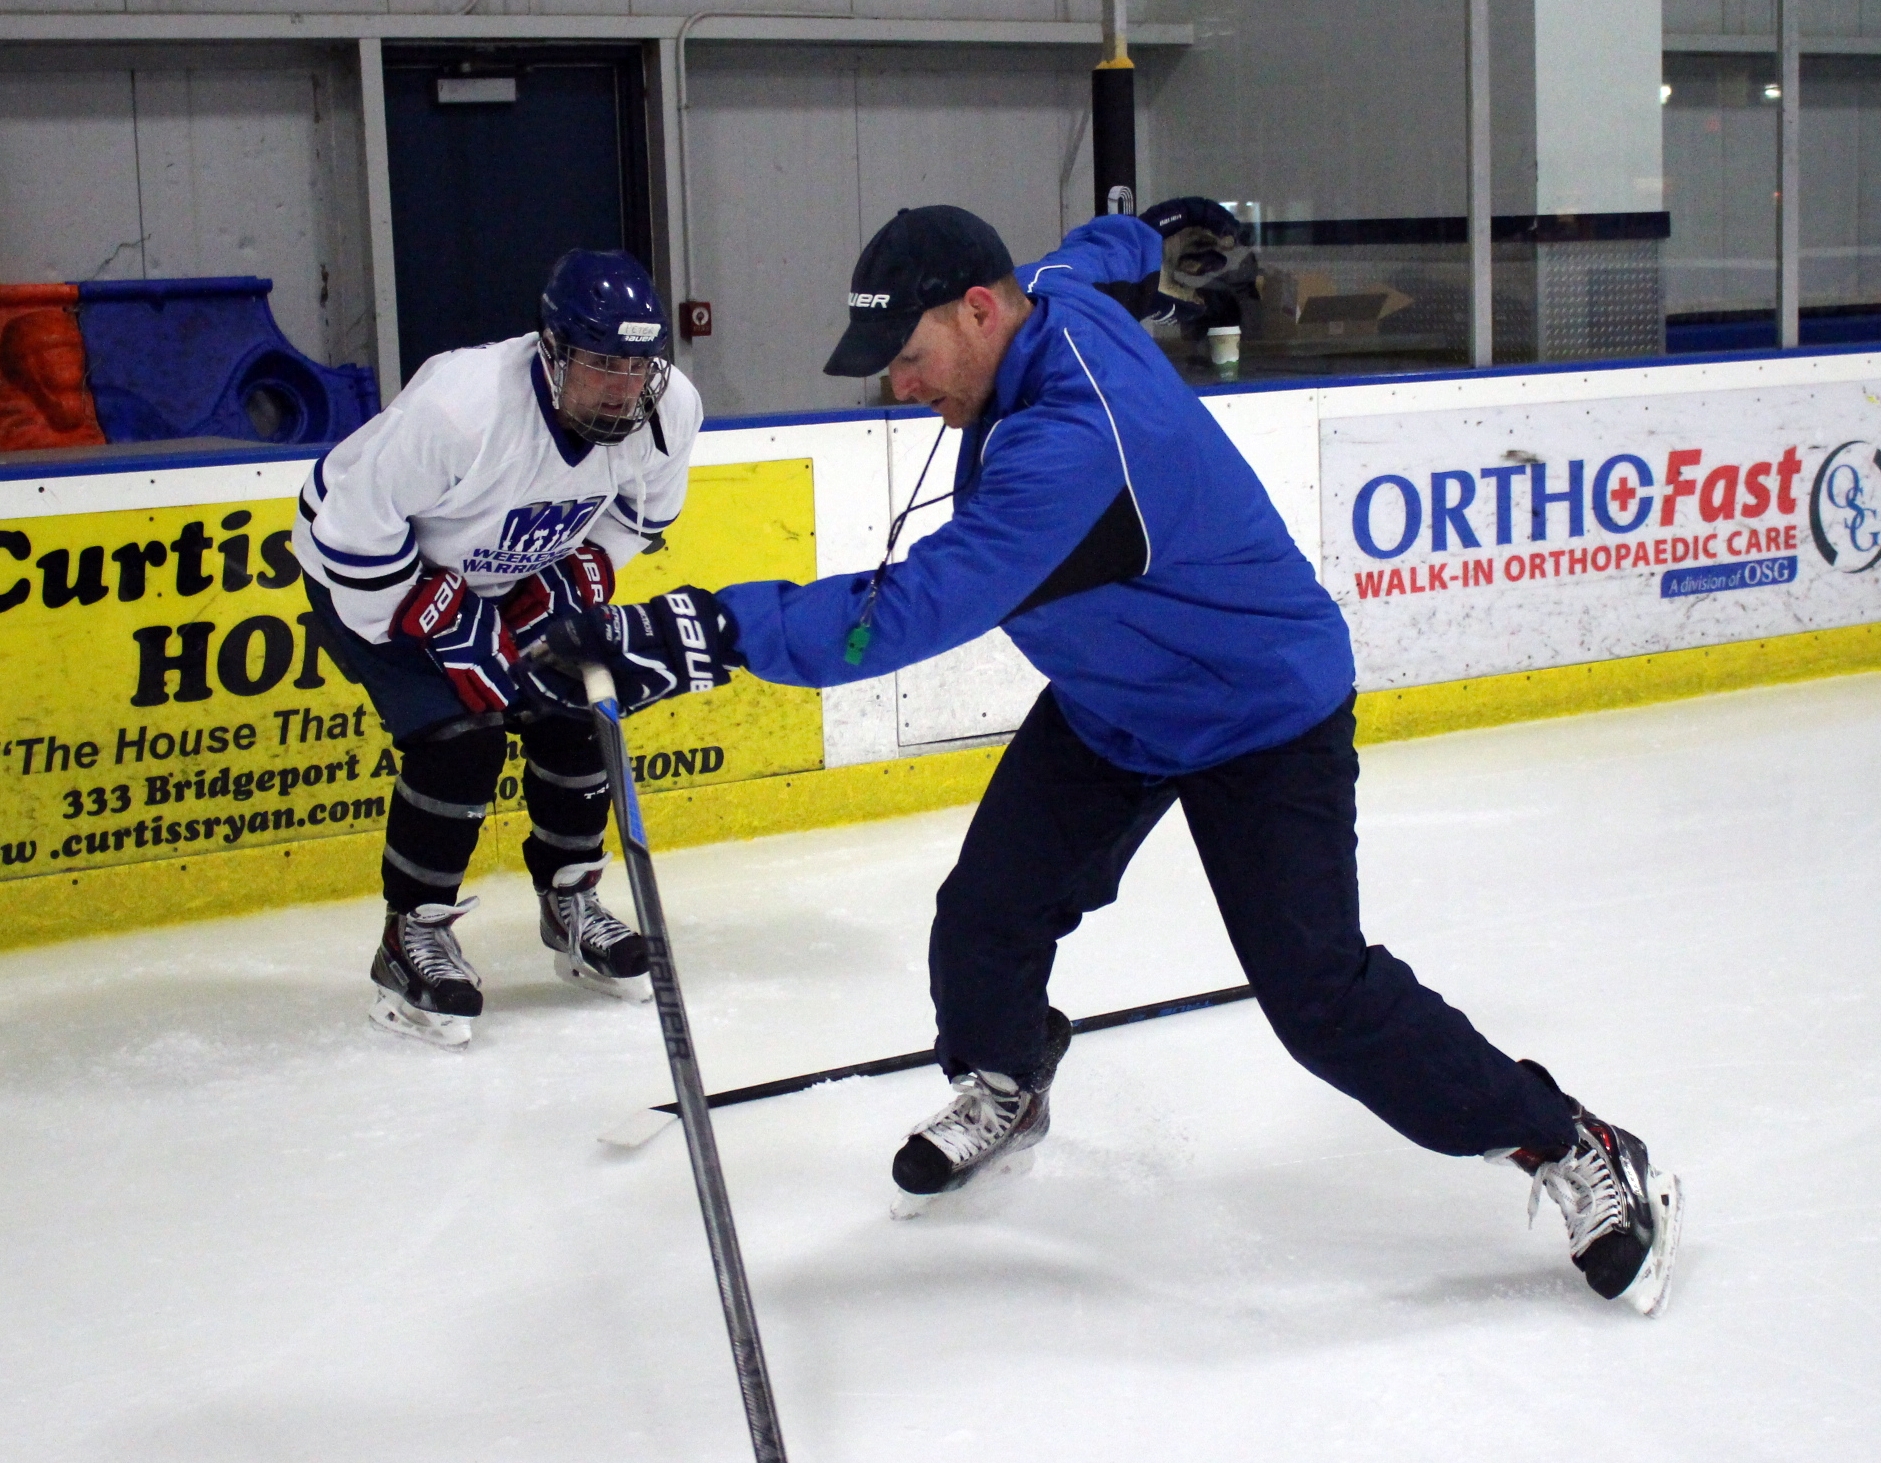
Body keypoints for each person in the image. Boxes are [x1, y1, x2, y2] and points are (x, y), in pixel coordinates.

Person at [550, 205, 1685, 1316]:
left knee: (1319, 994)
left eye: (908, 355)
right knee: (987, 913)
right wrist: (1155, 234)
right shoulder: (1046, 302)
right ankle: (1006, 1078)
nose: (899, 384)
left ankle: (1570, 1139)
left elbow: (911, 611)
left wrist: (700, 632)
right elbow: (1092, 256)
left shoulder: (1072, 444)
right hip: (1116, 702)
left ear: (979, 311)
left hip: (1256, 710)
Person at [295, 249, 724, 1049]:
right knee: (461, 734)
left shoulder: (670, 411)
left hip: (509, 570)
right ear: (552, 350)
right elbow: (352, 538)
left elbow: (639, 518)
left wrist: (571, 578)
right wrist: (439, 615)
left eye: (638, 366)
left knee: (575, 709)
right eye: (601, 363)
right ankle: (410, 936)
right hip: (370, 568)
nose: (623, 387)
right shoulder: (461, 409)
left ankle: (570, 903)